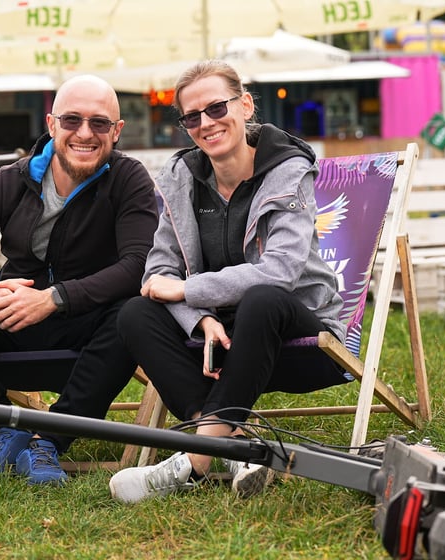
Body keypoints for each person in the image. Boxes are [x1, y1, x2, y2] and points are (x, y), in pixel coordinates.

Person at [108, 60, 349, 503]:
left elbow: (280, 270)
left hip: (301, 343)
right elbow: (157, 273)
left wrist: (189, 290)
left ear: (245, 105)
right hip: (220, 344)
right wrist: (199, 319)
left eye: (217, 108)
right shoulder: (182, 179)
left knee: (262, 298)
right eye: (192, 117)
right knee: (135, 313)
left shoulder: (288, 171)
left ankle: (194, 461)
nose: (206, 123)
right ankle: (235, 442)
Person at [0, 74, 158, 486]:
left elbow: (139, 264)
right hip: (11, 321)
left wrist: (53, 298)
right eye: (72, 120)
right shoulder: (11, 180)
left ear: (116, 131)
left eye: (99, 123)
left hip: (88, 327)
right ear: (51, 124)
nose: (85, 133)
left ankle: (49, 442)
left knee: (134, 312)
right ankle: (5, 427)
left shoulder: (129, 179)